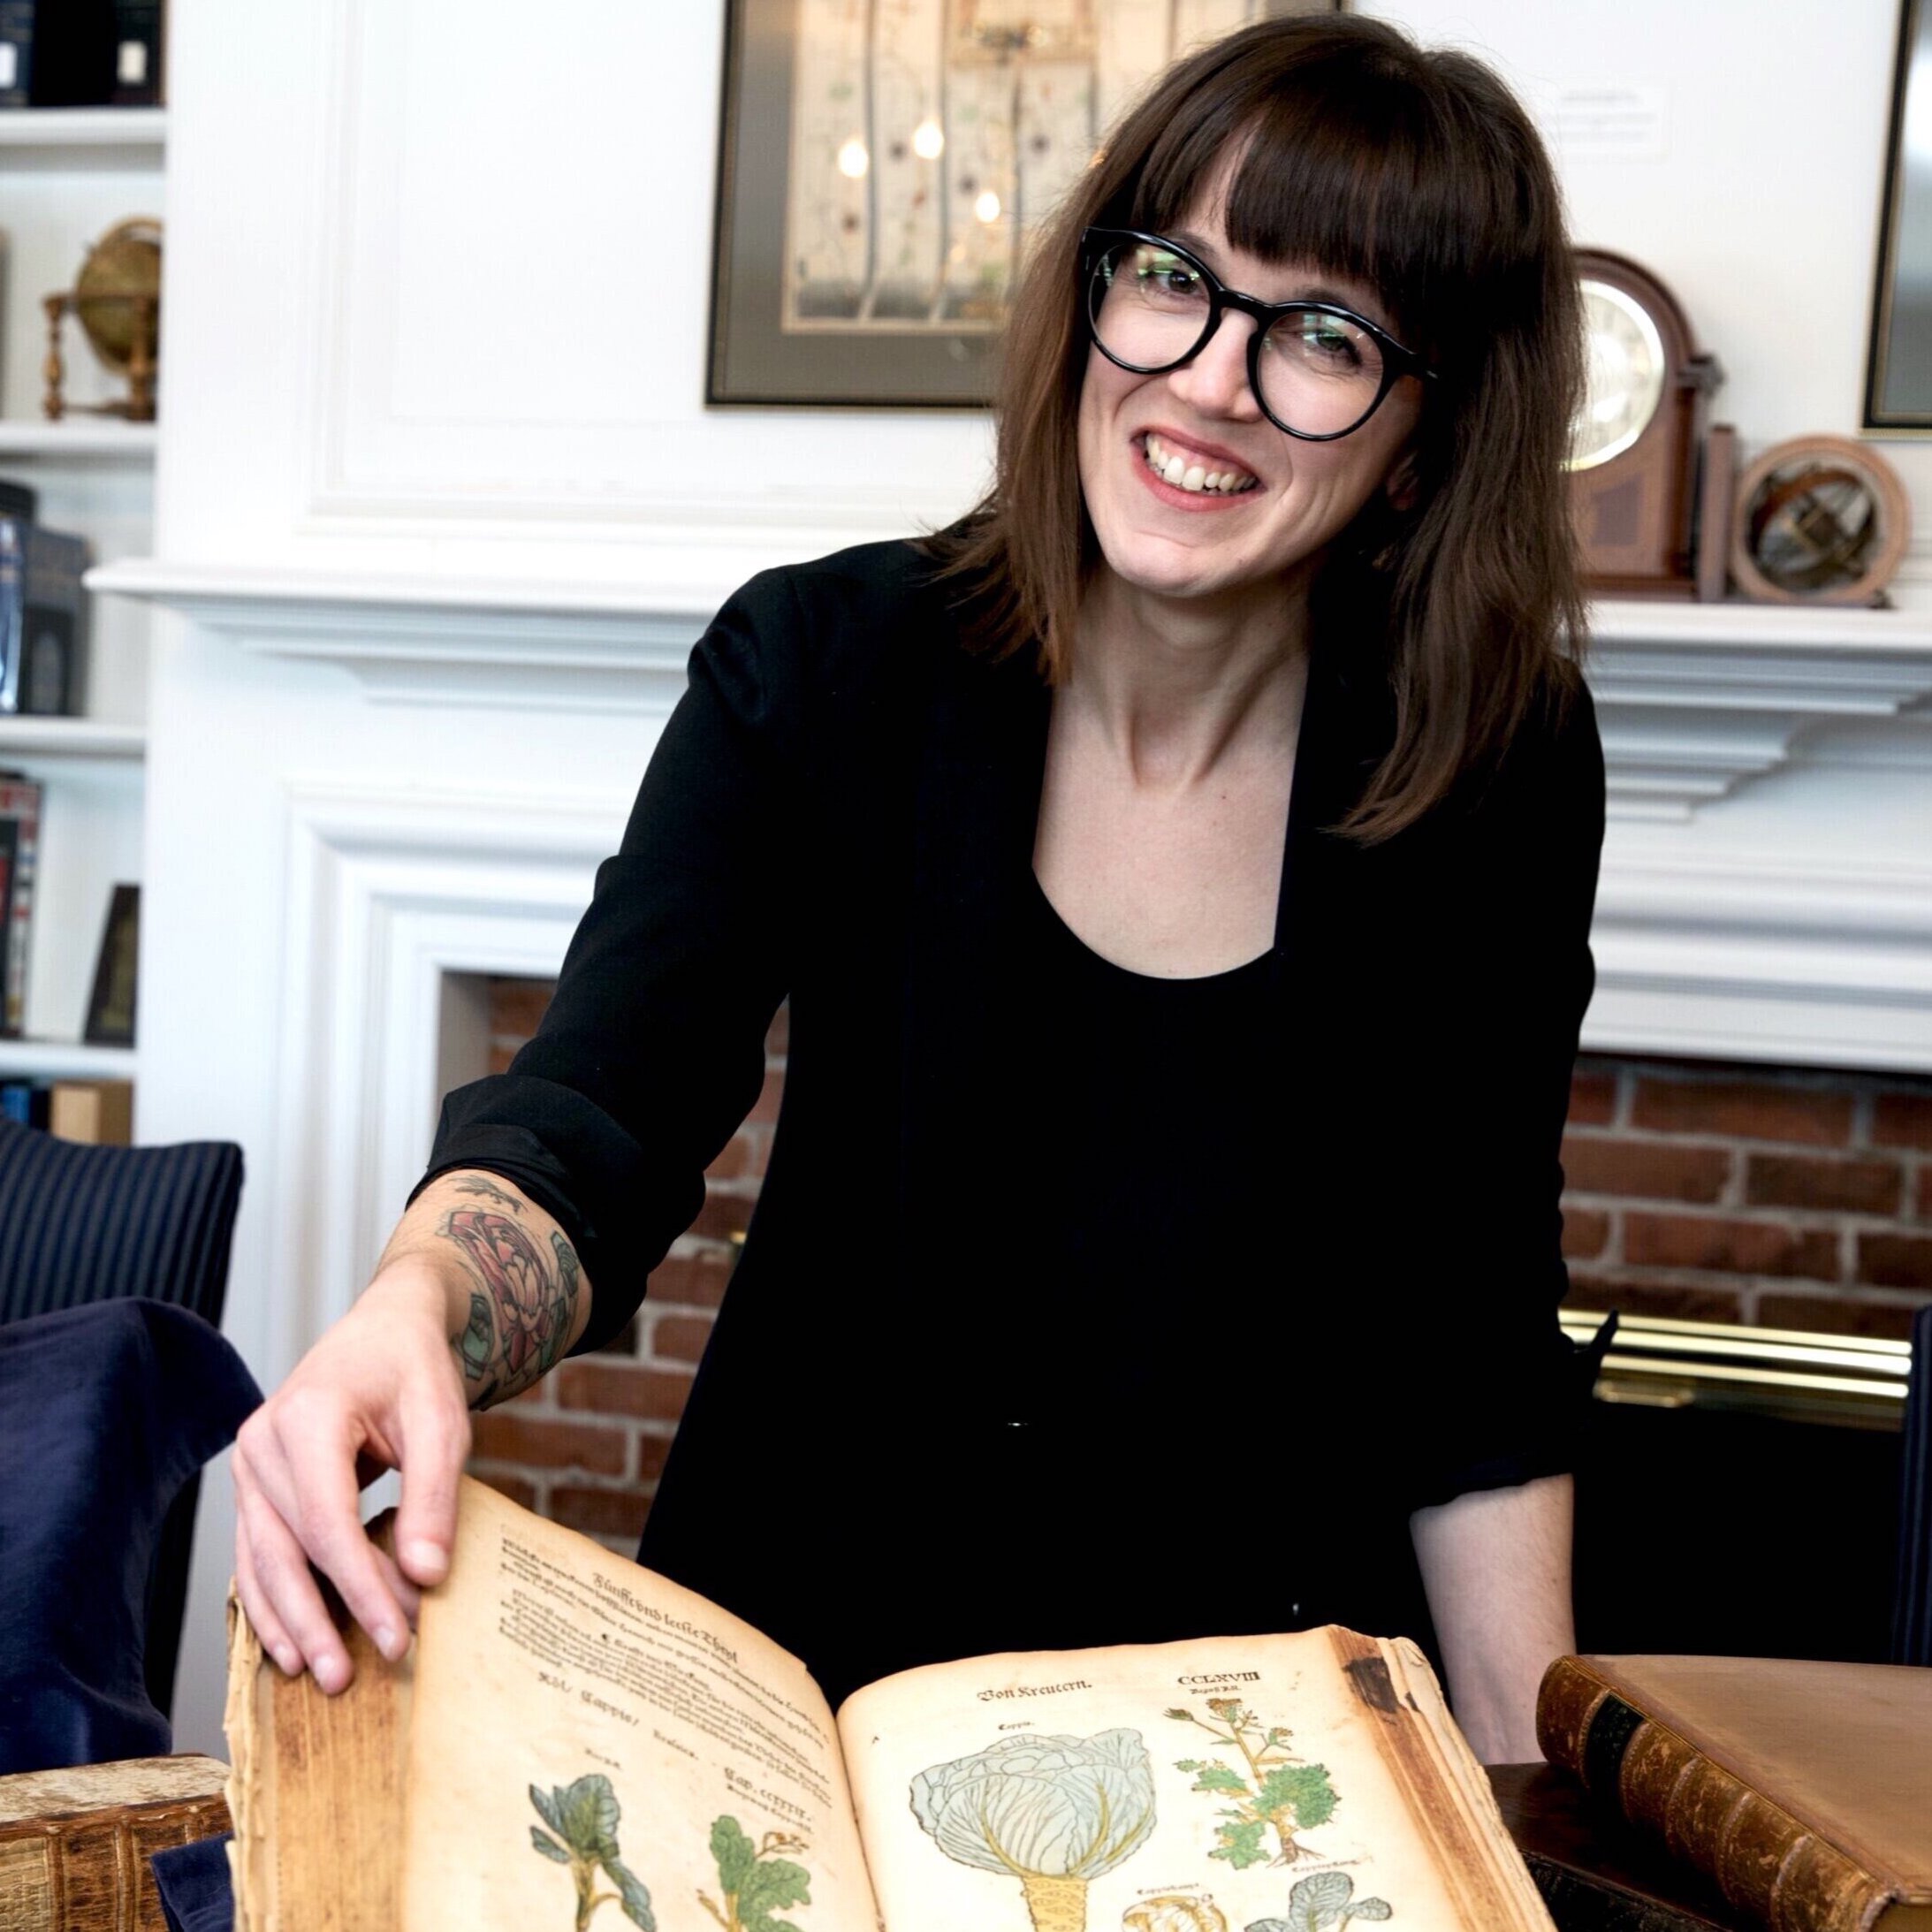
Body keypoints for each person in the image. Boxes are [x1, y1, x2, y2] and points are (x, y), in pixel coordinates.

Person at [233, 13, 1604, 1765]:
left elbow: (1464, 1329)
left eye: (1323, 335)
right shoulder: (826, 665)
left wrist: (1523, 1812)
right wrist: (410, 1305)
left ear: (1424, 437)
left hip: (1246, 1751)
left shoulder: (1488, 758)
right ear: (1093, 287)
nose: (1203, 379)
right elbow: (597, 1113)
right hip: (808, 1704)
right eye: (1172, 276)